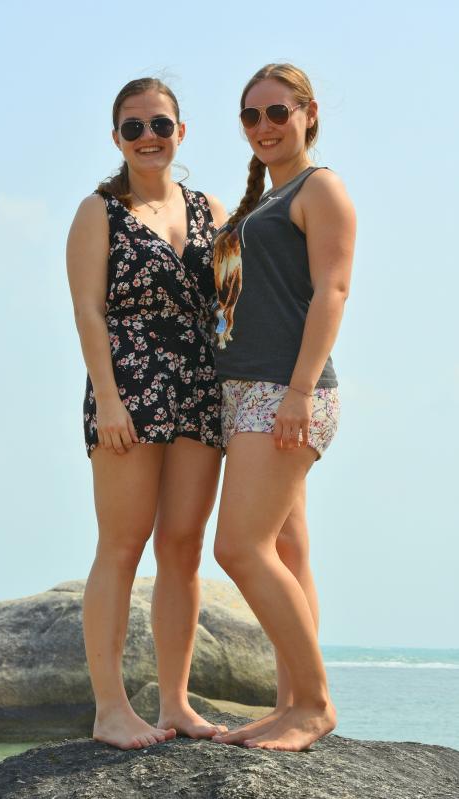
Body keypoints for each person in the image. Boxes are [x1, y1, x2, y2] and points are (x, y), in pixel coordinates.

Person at [66, 77, 227, 750]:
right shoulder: (98, 212)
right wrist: (107, 397)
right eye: (133, 128)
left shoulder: (211, 210)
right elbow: (87, 310)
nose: (148, 137)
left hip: (200, 386)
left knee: (183, 547)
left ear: (180, 132)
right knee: (122, 544)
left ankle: (175, 703)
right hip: (127, 387)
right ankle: (110, 708)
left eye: (159, 124)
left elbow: (234, 305)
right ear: (117, 139)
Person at [210, 63, 356, 751]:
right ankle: (288, 703)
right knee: (289, 551)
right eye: (251, 115)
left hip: (285, 392)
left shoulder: (319, 188)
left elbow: (333, 291)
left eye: (277, 112)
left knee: (238, 547)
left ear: (308, 113)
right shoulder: (260, 204)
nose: (263, 126)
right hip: (247, 390)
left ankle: (315, 703)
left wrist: (298, 392)